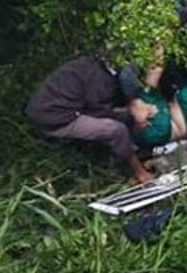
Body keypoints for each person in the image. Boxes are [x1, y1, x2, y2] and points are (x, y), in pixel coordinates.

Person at [26, 56, 158, 184]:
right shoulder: (100, 78)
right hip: (55, 118)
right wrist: (133, 112)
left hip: (50, 109)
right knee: (117, 130)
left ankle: (130, 153)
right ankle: (139, 173)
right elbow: (99, 113)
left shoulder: (90, 65)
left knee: (122, 117)